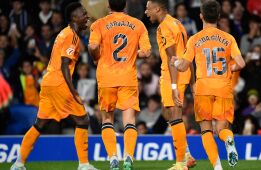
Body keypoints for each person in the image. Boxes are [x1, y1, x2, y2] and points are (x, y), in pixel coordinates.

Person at [10, 2, 98, 170]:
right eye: (83, 13)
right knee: (83, 119)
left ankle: (18, 163)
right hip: (59, 83)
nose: (87, 16)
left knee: (40, 124)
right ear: (74, 18)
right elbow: (65, 64)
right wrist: (72, 90)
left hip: (48, 83)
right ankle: (84, 165)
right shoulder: (72, 36)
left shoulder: (63, 33)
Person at [173, 0, 245, 169]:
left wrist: (176, 62)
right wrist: (229, 68)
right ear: (219, 17)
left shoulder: (194, 39)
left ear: (201, 16)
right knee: (222, 129)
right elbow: (241, 63)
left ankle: (217, 167)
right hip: (223, 87)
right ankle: (228, 140)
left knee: (206, 130)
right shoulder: (229, 38)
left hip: (203, 88)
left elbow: (183, 66)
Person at [88, 0, 151, 169]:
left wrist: (96, 57)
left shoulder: (99, 24)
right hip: (128, 78)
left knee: (107, 119)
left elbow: (93, 45)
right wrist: (131, 53)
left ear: (108, 7)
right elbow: (146, 52)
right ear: (125, 6)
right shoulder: (138, 25)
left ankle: (113, 158)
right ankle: (128, 156)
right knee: (129, 120)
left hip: (106, 78)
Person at [145, 0, 196, 169]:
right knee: (170, 113)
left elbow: (171, 58)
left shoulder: (164, 27)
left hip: (173, 74)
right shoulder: (178, 23)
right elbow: (188, 53)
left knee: (174, 115)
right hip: (183, 71)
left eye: (148, 9)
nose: (146, 12)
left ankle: (181, 163)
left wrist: (173, 86)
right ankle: (186, 155)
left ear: (157, 8)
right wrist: (192, 81)